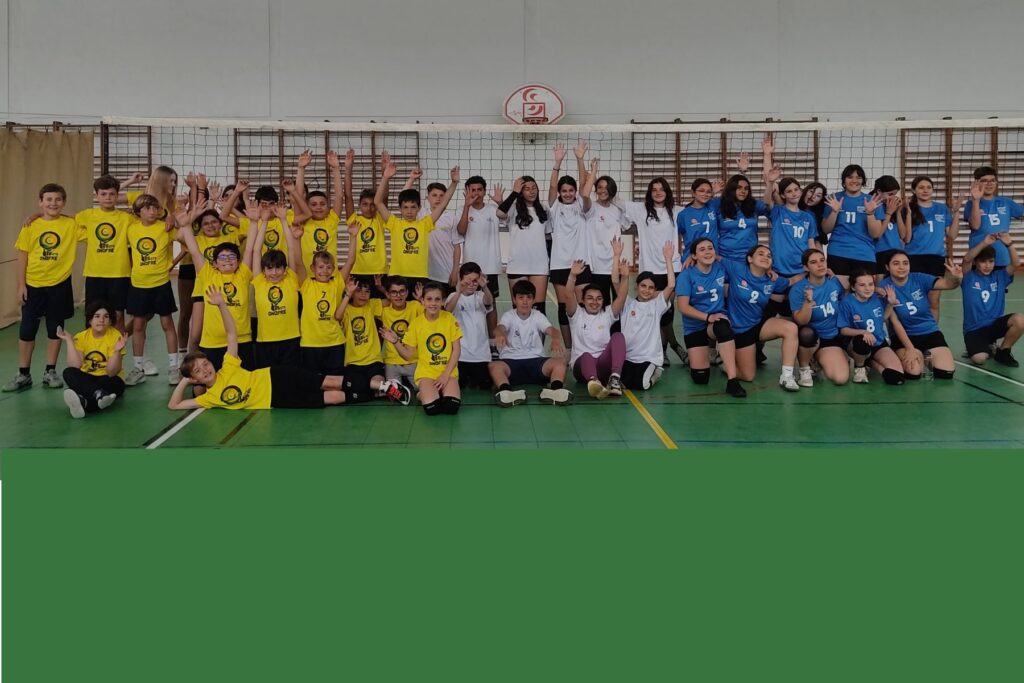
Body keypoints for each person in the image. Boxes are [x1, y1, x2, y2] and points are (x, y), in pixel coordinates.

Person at [170, 286, 348, 410]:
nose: (205, 370)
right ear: (194, 378)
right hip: (276, 399)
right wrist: (185, 381)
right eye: (197, 371)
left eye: (205, 364)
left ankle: (366, 386)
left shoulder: (228, 366)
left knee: (330, 383)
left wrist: (222, 305)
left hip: (276, 376)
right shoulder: (209, 398)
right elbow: (174, 405)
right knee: (333, 397)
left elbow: (231, 334)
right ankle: (362, 393)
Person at [4, 184, 79, 392]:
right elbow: (22, 255)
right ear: (40, 202)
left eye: (58, 199)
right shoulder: (31, 226)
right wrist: (21, 285)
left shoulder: (71, 224)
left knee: (55, 329)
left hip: (59, 285)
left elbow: (90, 220)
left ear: (64, 202)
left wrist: (42, 214)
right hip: (33, 285)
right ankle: (23, 373)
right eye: (48, 200)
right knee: (27, 329)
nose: (53, 203)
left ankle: (50, 371)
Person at [178, 205, 259, 371]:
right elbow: (195, 252)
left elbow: (250, 249)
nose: (227, 260)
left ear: (238, 261)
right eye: (222, 257)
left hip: (241, 340)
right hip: (213, 342)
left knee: (242, 380)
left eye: (232, 256)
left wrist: (253, 222)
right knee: (211, 382)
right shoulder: (208, 274)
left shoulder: (243, 274)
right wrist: (185, 226)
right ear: (214, 263)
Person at [616, 177, 686, 366]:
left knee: (666, 311)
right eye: (654, 189)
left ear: (667, 192)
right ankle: (671, 346)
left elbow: (699, 210)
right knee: (655, 313)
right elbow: (616, 200)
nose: (658, 192)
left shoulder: (677, 211)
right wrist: (596, 178)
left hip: (672, 267)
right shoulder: (641, 210)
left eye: (661, 189)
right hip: (649, 270)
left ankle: (665, 348)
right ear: (649, 193)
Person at [375, 156, 459, 293]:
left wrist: (454, 183)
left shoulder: (425, 224)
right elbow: (378, 202)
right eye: (405, 207)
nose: (409, 211)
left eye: (413, 207)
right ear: (400, 209)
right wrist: (385, 177)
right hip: (397, 277)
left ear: (419, 208)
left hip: (419, 277)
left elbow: (443, 204)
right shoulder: (394, 223)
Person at [675, 237, 746, 398]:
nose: (707, 252)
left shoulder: (721, 268)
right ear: (694, 256)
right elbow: (683, 307)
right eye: (702, 250)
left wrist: (768, 271)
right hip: (695, 326)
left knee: (723, 327)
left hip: (714, 324)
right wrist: (708, 317)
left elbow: (745, 270)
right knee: (700, 378)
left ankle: (732, 380)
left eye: (710, 248)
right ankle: (703, 358)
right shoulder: (686, 275)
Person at [723, 245, 800, 390]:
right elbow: (715, 258)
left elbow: (792, 280)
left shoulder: (772, 279)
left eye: (769, 256)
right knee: (748, 376)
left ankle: (787, 376)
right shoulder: (737, 269)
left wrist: (810, 270)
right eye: (761, 254)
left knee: (791, 328)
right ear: (750, 259)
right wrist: (690, 256)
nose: (765, 257)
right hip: (740, 330)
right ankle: (727, 364)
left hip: (758, 324)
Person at [878, 251, 962, 379]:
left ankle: (923, 355)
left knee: (946, 372)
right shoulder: (884, 287)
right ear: (887, 267)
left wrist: (956, 278)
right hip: (904, 336)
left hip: (929, 331)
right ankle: (910, 354)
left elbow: (948, 284)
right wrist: (910, 348)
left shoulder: (919, 278)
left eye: (905, 263)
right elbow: (895, 322)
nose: (901, 267)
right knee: (914, 372)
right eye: (896, 263)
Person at [124, 193, 180, 386]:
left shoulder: (165, 228)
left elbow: (186, 243)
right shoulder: (131, 229)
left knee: (167, 324)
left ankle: (173, 367)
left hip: (161, 283)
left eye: (155, 208)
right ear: (138, 212)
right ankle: (138, 368)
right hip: (139, 284)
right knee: (138, 326)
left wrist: (171, 264)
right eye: (147, 208)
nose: (152, 211)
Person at [488, 280, 572, 407]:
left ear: (533, 300)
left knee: (560, 362)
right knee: (494, 366)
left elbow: (552, 330)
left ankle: (555, 390)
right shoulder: (509, 316)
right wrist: (500, 333)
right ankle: (506, 391)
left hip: (536, 363)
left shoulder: (537, 316)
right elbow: (500, 328)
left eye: (528, 297)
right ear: (514, 300)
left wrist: (555, 339)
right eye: (521, 297)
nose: (525, 301)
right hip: (511, 363)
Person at [383, 282, 463, 415]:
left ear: (443, 301)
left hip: (448, 373)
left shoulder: (449, 319)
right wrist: (396, 342)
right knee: (432, 409)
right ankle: (423, 394)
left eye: (437, 299)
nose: (433, 303)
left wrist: (445, 375)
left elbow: (457, 350)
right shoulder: (416, 324)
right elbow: (408, 355)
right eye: (429, 299)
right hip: (426, 374)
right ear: (422, 301)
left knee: (451, 407)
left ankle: (438, 392)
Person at [566, 240, 629, 399]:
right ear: (583, 300)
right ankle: (594, 383)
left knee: (618, 336)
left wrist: (625, 276)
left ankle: (614, 378)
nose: (594, 302)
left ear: (603, 301)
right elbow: (568, 295)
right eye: (590, 298)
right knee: (586, 356)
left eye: (599, 298)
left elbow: (621, 297)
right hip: (582, 368)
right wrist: (572, 275)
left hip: (603, 365)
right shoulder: (577, 314)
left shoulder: (606, 314)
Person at [334, 278, 412, 404]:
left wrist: (381, 289)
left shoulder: (371, 305)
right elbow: (337, 316)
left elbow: (392, 299)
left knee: (377, 386)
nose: (363, 294)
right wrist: (348, 294)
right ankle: (386, 389)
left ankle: (383, 389)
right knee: (355, 386)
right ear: (352, 293)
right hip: (353, 362)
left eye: (367, 291)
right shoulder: (346, 308)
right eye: (359, 291)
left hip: (374, 360)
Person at [546, 141, 594, 346]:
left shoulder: (582, 206)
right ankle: (568, 348)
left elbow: (584, 187)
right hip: (560, 264)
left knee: (582, 306)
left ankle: (582, 345)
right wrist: (557, 163)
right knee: (564, 307)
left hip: (580, 263)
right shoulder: (554, 207)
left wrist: (580, 159)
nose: (567, 193)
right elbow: (551, 187)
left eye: (570, 190)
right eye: (564, 191)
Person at [75, 175, 133, 333]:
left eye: (112, 194)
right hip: (95, 274)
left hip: (119, 274)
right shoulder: (87, 215)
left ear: (117, 195)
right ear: (97, 195)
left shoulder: (126, 218)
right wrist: (37, 215)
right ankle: (92, 347)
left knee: (118, 316)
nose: (108, 198)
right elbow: (64, 220)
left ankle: (118, 347)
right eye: (103, 194)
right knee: (93, 315)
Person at [961, 233, 1024, 367]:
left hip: (994, 325)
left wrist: (1009, 244)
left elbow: (1016, 264)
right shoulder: (969, 278)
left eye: (991, 261)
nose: (987, 265)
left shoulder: (1000, 276)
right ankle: (985, 347)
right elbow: (966, 259)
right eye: (983, 261)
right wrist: (984, 243)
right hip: (974, 329)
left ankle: (1003, 351)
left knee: (1020, 320)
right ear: (976, 262)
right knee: (980, 359)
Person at [620, 242, 677, 390]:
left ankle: (656, 372)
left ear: (654, 290)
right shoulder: (627, 303)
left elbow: (671, 285)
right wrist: (617, 259)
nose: (647, 290)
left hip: (649, 358)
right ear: (636, 286)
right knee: (625, 384)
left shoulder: (657, 305)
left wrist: (668, 259)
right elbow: (615, 282)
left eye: (651, 288)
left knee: (642, 384)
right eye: (643, 286)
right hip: (629, 357)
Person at [55, 301, 127, 418]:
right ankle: (99, 395)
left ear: (110, 321)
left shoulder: (115, 336)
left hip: (108, 378)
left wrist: (117, 351)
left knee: (113, 383)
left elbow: (112, 372)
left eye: (106, 317)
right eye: (97, 316)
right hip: (88, 378)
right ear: (90, 320)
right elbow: (75, 365)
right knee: (68, 372)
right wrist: (69, 341)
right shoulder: (81, 337)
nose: (101, 320)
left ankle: (84, 401)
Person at [251, 206, 302, 368]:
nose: (274, 272)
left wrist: (283, 220)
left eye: (278, 268)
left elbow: (291, 248)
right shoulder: (260, 281)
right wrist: (264, 221)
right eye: (270, 268)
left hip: (291, 339)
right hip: (265, 341)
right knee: (268, 378)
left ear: (285, 269)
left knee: (289, 377)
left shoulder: (291, 279)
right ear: (264, 270)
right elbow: (256, 250)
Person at [837, 269, 909, 385]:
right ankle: (860, 367)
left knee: (897, 376)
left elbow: (882, 318)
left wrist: (890, 303)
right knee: (861, 342)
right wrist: (863, 332)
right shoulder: (847, 303)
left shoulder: (877, 298)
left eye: (870, 284)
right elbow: (843, 330)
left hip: (878, 341)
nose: (867, 288)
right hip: (857, 343)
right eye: (862, 285)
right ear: (853, 287)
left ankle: (870, 362)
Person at [903, 176, 961, 320]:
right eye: (921, 187)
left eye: (928, 187)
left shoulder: (941, 208)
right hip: (914, 258)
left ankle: (933, 331)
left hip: (936, 259)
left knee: (933, 302)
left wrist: (956, 212)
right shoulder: (909, 209)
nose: (925, 190)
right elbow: (906, 238)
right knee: (915, 300)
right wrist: (907, 212)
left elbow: (952, 235)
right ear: (914, 190)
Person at [790, 249, 849, 386]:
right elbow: (800, 321)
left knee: (840, 378)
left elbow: (844, 302)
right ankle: (804, 367)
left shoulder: (834, 284)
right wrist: (808, 303)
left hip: (831, 336)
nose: (820, 265)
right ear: (806, 267)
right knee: (806, 333)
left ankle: (819, 359)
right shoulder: (798, 289)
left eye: (822, 260)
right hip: (811, 337)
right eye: (813, 262)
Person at [821, 164, 886, 286]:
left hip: (864, 254)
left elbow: (876, 234)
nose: (854, 180)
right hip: (838, 252)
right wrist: (834, 211)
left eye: (858, 177)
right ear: (844, 181)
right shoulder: (834, 199)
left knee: (864, 292)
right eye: (850, 177)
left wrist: (870, 213)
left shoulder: (873, 201)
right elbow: (826, 229)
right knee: (839, 291)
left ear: (863, 181)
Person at [496, 175, 550, 315]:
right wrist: (514, 192)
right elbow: (500, 212)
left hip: (539, 266)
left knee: (538, 310)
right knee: (519, 310)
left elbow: (548, 237)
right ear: (521, 192)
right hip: (517, 264)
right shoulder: (513, 208)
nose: (531, 191)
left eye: (534, 188)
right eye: (526, 189)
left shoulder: (544, 209)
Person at [341, 149, 388, 296]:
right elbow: (348, 195)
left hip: (378, 272)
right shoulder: (354, 220)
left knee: (380, 306)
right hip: (358, 271)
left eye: (373, 204)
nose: (369, 208)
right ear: (360, 205)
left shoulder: (379, 219)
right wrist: (348, 168)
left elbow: (383, 197)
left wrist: (385, 172)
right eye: (365, 204)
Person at [583, 161, 630, 304]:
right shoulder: (590, 208)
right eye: (599, 187)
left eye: (606, 188)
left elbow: (627, 223)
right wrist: (593, 172)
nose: (603, 190)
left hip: (616, 267)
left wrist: (597, 180)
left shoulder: (617, 210)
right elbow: (585, 194)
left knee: (619, 305)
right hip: (597, 267)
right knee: (602, 306)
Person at [964, 165, 1023, 271]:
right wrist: (976, 201)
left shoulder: (1005, 202)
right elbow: (975, 226)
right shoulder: (971, 204)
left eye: (992, 180)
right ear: (977, 183)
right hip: (980, 258)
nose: (989, 184)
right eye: (984, 181)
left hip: (1002, 258)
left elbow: (1021, 212)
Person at [446, 262, 494, 390]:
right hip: (460, 356)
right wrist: (458, 292)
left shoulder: (481, 296)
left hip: (481, 356)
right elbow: (447, 312)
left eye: (475, 281)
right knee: (459, 385)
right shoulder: (453, 297)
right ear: (461, 279)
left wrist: (485, 287)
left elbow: (489, 301)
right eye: (468, 281)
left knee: (485, 386)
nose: (471, 284)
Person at [380, 276, 423, 385]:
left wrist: (421, 300)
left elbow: (432, 315)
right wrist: (379, 287)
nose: (398, 295)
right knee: (394, 392)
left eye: (402, 291)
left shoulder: (415, 306)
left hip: (413, 360)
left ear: (407, 292)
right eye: (394, 292)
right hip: (392, 362)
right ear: (388, 294)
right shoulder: (383, 310)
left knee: (422, 389)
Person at [871, 175, 906, 276]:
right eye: (890, 194)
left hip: (897, 252)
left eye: (895, 194)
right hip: (880, 252)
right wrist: (889, 213)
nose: (893, 197)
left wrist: (898, 212)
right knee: (883, 284)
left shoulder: (892, 207)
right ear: (879, 191)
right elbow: (878, 234)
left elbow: (903, 235)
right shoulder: (873, 207)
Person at [677, 177, 721, 257]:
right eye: (701, 191)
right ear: (693, 193)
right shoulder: (683, 215)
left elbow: (732, 197)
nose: (705, 194)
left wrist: (714, 192)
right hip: (692, 258)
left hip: (712, 257)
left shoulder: (713, 206)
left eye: (708, 192)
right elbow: (677, 237)